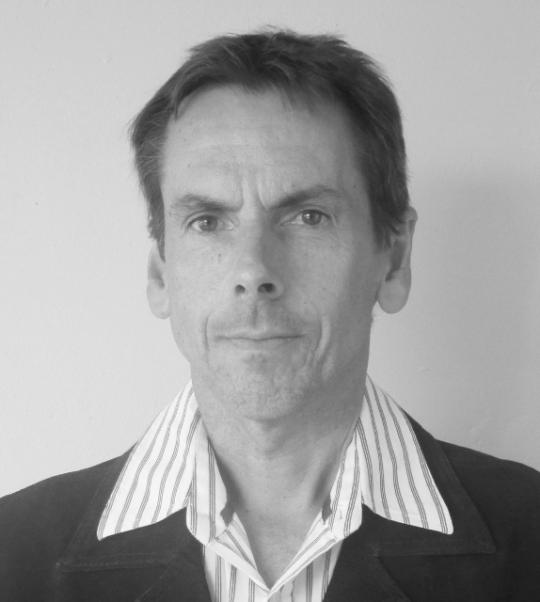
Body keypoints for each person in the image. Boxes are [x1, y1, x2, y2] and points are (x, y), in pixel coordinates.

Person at [1, 29, 539, 602]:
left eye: (308, 216)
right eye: (208, 222)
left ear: (394, 258)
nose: (253, 270)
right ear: (161, 275)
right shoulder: (13, 555)